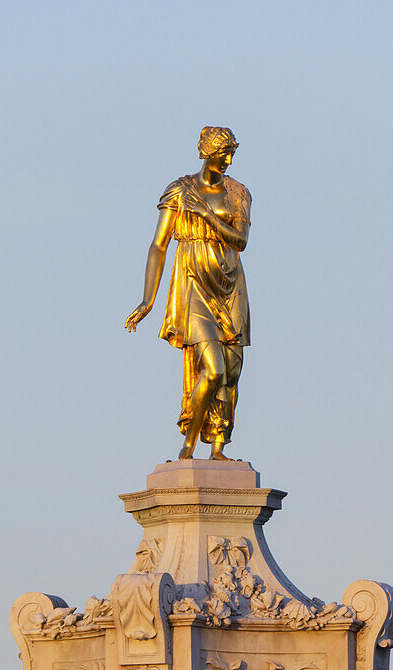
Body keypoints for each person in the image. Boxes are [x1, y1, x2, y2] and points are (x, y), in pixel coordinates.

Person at [125, 126, 251, 460]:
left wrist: (208, 215)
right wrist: (147, 299)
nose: (227, 160)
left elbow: (241, 241)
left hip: (230, 283)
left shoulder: (238, 193)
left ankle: (219, 448)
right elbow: (158, 245)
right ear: (206, 152)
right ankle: (190, 444)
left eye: (231, 154)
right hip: (194, 280)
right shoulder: (180, 191)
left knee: (232, 371)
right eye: (222, 153)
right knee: (212, 368)